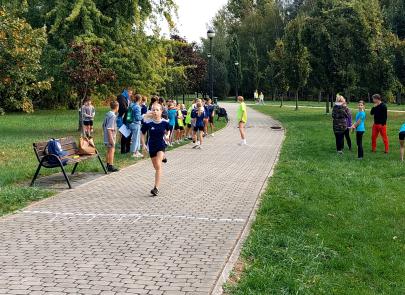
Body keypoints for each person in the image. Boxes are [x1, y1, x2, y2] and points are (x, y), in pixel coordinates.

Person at [141, 103, 171, 196]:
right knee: (156, 167)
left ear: (161, 111)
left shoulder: (165, 122)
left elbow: (169, 129)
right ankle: (163, 157)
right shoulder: (148, 123)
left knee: (158, 166)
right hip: (152, 146)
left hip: (161, 145)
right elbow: (142, 133)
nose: (155, 111)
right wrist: (143, 145)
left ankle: (156, 188)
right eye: (153, 110)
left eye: (157, 110)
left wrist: (167, 135)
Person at [103, 101, 119, 172]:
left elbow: (103, 125)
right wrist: (111, 139)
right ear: (117, 107)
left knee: (108, 150)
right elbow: (109, 128)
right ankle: (111, 166)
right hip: (110, 136)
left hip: (106, 135)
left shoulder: (107, 114)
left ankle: (107, 164)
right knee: (112, 150)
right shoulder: (113, 116)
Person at [117, 89, 132, 154]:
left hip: (126, 118)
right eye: (130, 93)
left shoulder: (126, 98)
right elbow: (123, 108)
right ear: (127, 92)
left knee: (127, 134)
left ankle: (127, 150)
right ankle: (123, 150)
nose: (130, 95)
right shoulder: (121, 97)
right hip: (122, 119)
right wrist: (129, 109)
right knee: (125, 134)